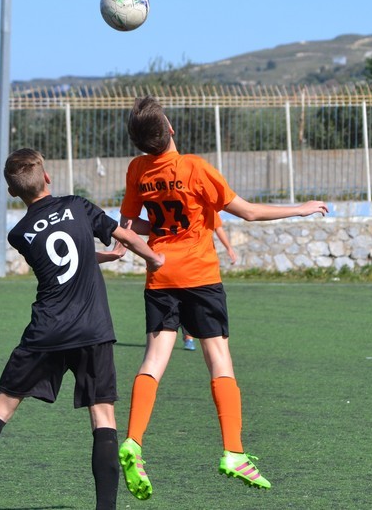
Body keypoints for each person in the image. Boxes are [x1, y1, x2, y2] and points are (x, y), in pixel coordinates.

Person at [117, 96, 328, 500]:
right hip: (199, 276)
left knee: (153, 361)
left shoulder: (137, 170)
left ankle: (134, 441)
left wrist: (153, 229)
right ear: (170, 129)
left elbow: (130, 225)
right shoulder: (195, 167)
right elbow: (247, 212)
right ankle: (233, 451)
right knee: (219, 360)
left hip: (161, 275)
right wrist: (300, 209)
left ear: (140, 143)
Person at [0, 148, 164, 510]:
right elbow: (128, 238)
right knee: (103, 416)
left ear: (13, 192)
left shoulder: (19, 233)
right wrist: (154, 259)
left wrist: (98, 256)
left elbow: (56, 260)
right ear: (48, 177)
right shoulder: (78, 205)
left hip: (47, 332)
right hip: (92, 329)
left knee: (2, 407)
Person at [182, 211, 237, 351]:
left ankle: (193, 334)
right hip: (182, 261)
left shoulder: (208, 209)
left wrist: (229, 248)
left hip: (200, 265)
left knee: (197, 303)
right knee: (184, 300)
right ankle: (188, 336)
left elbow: (218, 228)